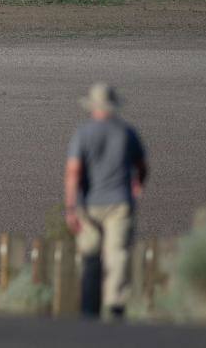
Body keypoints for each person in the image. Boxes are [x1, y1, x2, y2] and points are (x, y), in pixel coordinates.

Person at [64, 83, 148, 319]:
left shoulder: (83, 133)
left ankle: (89, 310)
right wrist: (137, 183)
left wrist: (71, 206)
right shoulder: (126, 132)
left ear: (92, 106)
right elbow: (142, 166)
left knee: (90, 254)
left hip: (89, 203)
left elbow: (73, 172)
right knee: (117, 254)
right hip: (120, 202)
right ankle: (114, 306)